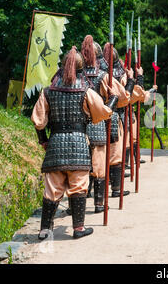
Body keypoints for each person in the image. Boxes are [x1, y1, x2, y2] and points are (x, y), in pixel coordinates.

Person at [31, 46, 119, 239]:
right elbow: (102, 112)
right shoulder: (85, 91)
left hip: (55, 145)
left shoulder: (48, 91)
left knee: (52, 189)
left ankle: (45, 229)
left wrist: (43, 140)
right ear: (80, 69)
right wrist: (113, 99)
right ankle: (78, 229)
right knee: (79, 186)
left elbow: (38, 120)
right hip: (78, 145)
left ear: (62, 67)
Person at [82, 36, 133, 213]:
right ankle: (103, 200)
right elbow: (122, 98)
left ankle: (81, 199)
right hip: (102, 122)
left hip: (79, 126)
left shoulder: (73, 74)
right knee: (105, 162)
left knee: (81, 164)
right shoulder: (104, 76)